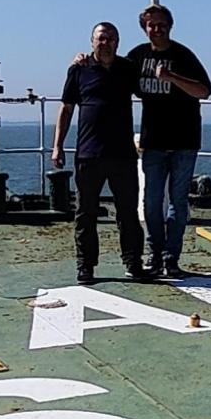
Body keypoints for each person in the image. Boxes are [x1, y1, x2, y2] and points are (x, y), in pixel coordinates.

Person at [51, 21, 146, 282]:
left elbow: (149, 96)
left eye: (111, 38)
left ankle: (133, 262)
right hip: (88, 154)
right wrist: (57, 145)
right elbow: (66, 108)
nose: (105, 43)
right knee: (86, 213)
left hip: (123, 154)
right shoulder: (79, 70)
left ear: (118, 42)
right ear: (92, 42)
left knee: (127, 212)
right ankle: (86, 266)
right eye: (101, 38)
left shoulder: (128, 69)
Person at [125, 4, 211, 278]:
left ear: (170, 26)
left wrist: (171, 77)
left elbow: (204, 91)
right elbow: (112, 76)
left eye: (162, 24)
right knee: (151, 202)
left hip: (185, 140)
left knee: (178, 202)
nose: (157, 28)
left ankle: (170, 258)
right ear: (144, 28)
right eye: (152, 24)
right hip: (153, 141)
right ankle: (154, 254)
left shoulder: (183, 55)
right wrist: (83, 61)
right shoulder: (137, 57)